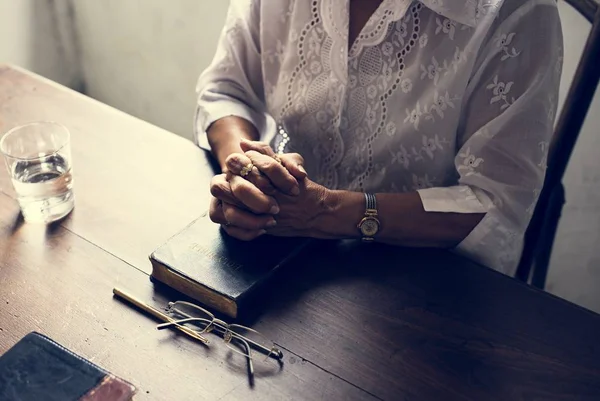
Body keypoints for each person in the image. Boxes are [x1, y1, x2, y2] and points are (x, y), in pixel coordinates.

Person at [194, 0, 564, 276]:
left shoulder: (518, 12)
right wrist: (245, 172)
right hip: (277, 254)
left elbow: (494, 204)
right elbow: (227, 89)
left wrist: (326, 210)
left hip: (422, 287)